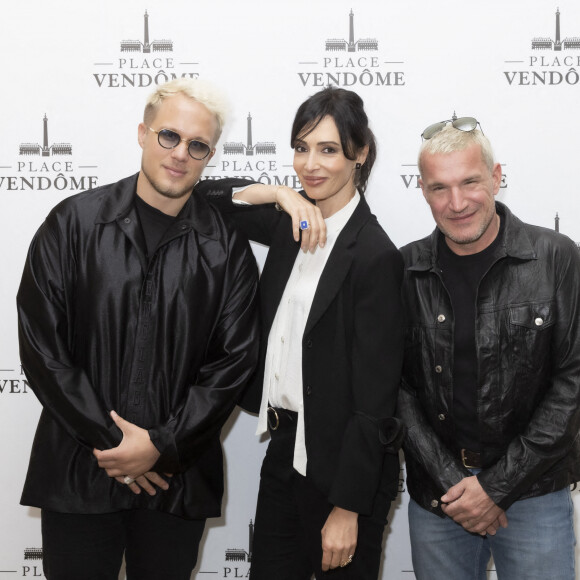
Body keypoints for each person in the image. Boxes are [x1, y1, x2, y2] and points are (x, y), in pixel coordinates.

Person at [16, 78, 259, 580]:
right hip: (80, 474)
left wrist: (160, 447)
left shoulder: (226, 247)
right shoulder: (72, 224)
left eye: (198, 145)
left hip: (175, 481)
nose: (180, 154)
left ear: (209, 155)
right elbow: (44, 350)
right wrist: (117, 446)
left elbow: (232, 364)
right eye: (169, 136)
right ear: (143, 133)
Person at [197, 86, 405, 579]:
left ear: (360, 154)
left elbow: (376, 400)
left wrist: (347, 509)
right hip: (286, 453)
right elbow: (203, 196)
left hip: (345, 472)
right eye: (301, 148)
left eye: (328, 149)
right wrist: (278, 194)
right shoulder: (289, 224)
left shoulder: (376, 256)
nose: (310, 164)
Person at [397, 115, 580, 579]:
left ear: (497, 177)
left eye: (470, 182)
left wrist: (496, 487)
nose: (456, 203)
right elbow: (395, 388)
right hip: (441, 499)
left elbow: (573, 383)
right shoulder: (403, 269)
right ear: (422, 190)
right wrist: (457, 486)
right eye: (439, 188)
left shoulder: (556, 258)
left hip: (535, 491)